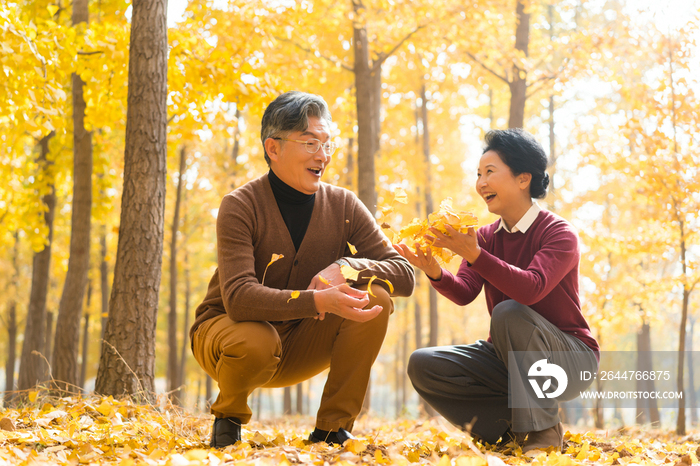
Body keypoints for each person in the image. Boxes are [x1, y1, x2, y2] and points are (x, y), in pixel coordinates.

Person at [190, 91, 415, 449]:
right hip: (228, 339)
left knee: (376, 297)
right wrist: (317, 301)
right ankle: (228, 419)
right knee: (257, 339)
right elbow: (238, 300)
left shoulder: (344, 205)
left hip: (300, 344)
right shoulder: (240, 205)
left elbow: (404, 273)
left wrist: (348, 265)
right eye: (310, 143)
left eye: (327, 144)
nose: (323, 156)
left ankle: (332, 430)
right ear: (273, 148)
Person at [394, 128, 599, 453]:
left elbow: (531, 289)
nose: (480, 183)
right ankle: (509, 433)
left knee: (509, 311)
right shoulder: (486, 237)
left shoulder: (558, 233)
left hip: (570, 358)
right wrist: (433, 270)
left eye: (490, 172)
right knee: (423, 364)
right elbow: (464, 292)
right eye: (478, 174)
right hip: (507, 358)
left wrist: (474, 253)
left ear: (522, 178)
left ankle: (545, 433)